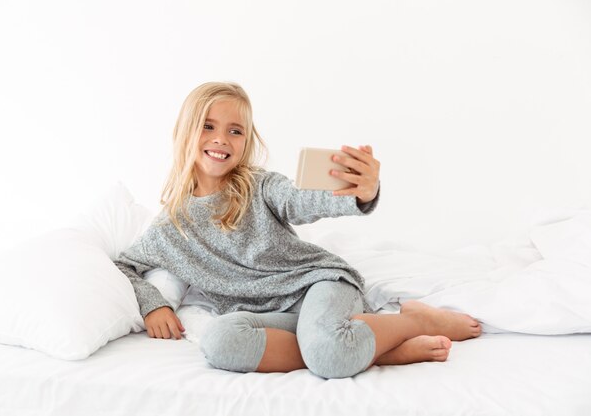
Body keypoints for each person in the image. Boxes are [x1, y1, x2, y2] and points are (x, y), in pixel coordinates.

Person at [113, 81, 482, 379]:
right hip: (278, 318)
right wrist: (154, 305)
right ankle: (352, 347)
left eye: (235, 130)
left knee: (326, 354)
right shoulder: (168, 229)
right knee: (219, 342)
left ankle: (410, 322)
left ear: (246, 141)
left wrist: (358, 195)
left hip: (318, 287)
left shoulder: (260, 186)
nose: (221, 138)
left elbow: (300, 199)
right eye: (207, 126)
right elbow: (124, 265)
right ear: (184, 132)